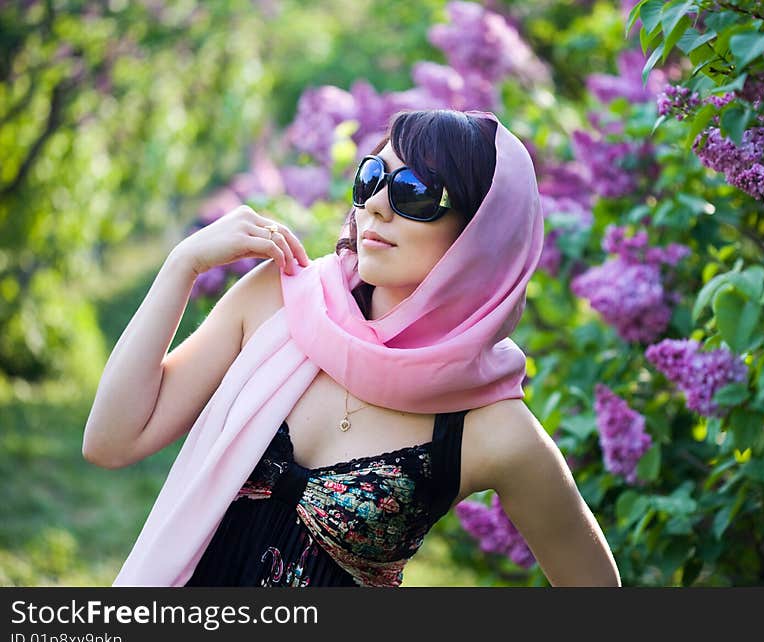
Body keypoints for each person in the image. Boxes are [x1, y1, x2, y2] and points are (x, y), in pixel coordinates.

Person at [83, 108, 621, 587]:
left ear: (482, 234)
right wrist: (182, 265)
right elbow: (111, 442)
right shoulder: (282, 300)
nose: (378, 206)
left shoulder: (490, 426)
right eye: (372, 178)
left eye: (414, 192)